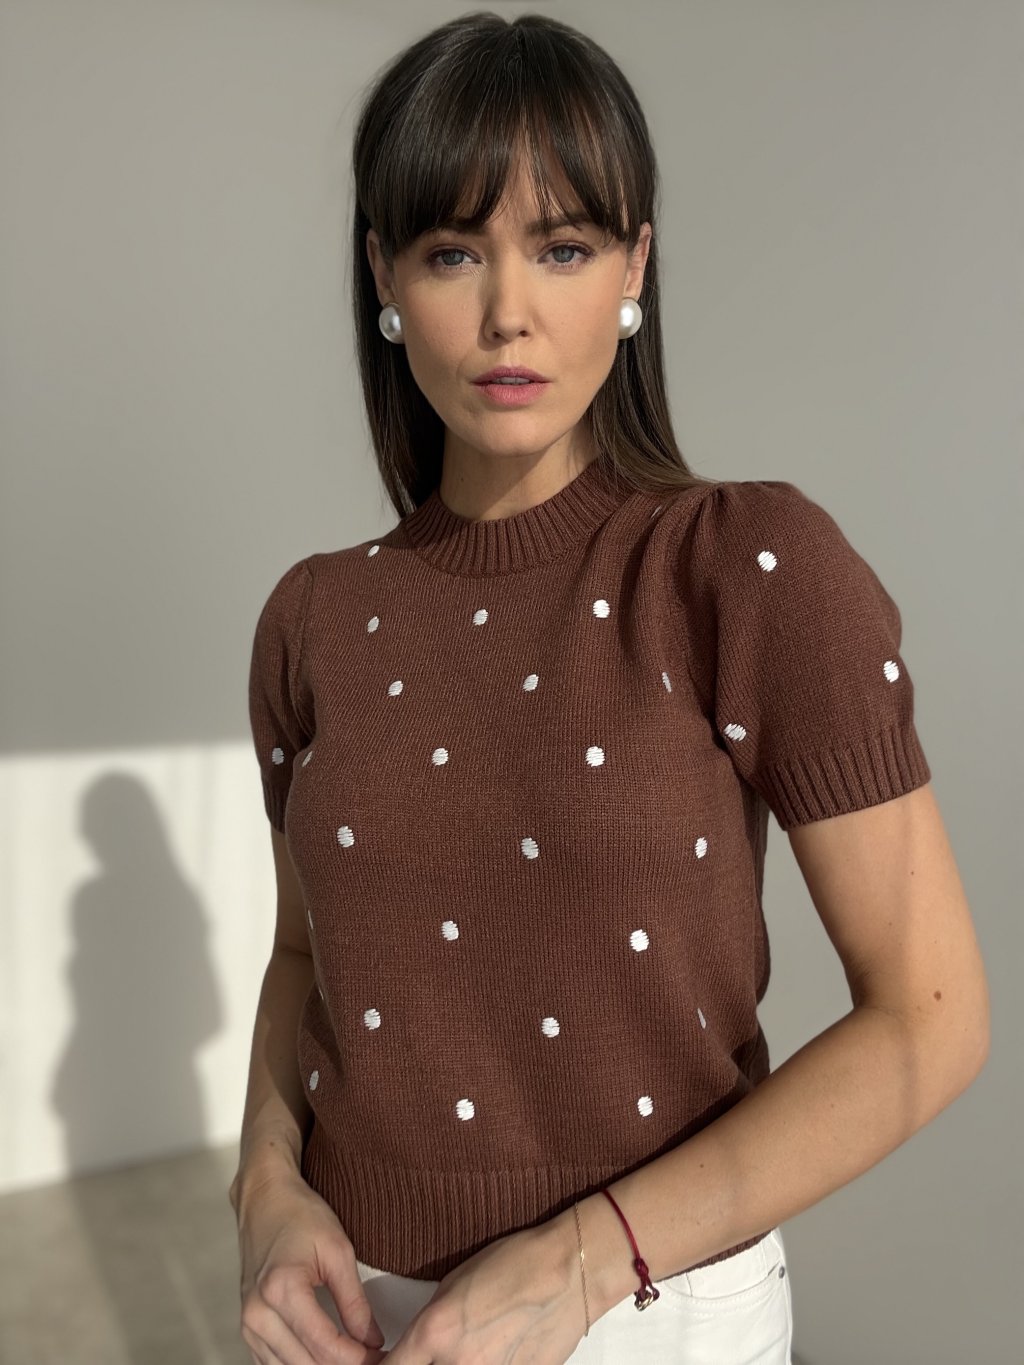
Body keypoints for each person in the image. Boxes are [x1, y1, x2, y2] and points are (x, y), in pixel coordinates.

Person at [228, 11, 990, 1365]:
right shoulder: (314, 618)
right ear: (383, 274)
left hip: (651, 1305)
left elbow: (931, 1019)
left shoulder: (745, 566)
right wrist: (266, 1190)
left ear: (636, 265)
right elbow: (304, 963)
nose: (507, 311)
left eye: (564, 246)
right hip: (351, 1317)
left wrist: (586, 1258)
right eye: (452, 251)